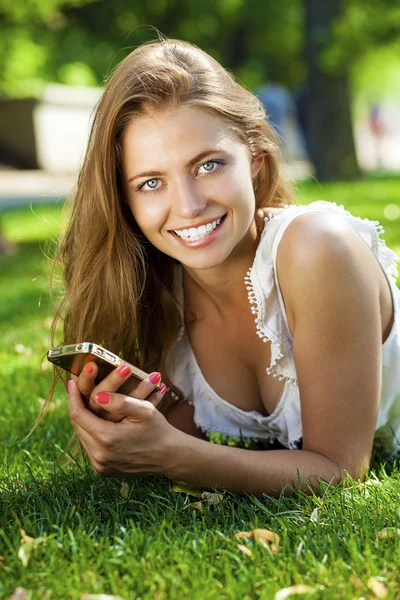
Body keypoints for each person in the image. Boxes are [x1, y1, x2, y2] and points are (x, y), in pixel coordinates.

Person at [36, 38, 400, 498]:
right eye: (151, 182)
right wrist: (137, 426)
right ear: (124, 200)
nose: (188, 206)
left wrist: (174, 456)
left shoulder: (318, 250)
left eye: (208, 165)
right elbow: (199, 436)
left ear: (254, 159)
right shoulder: (151, 287)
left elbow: (340, 470)